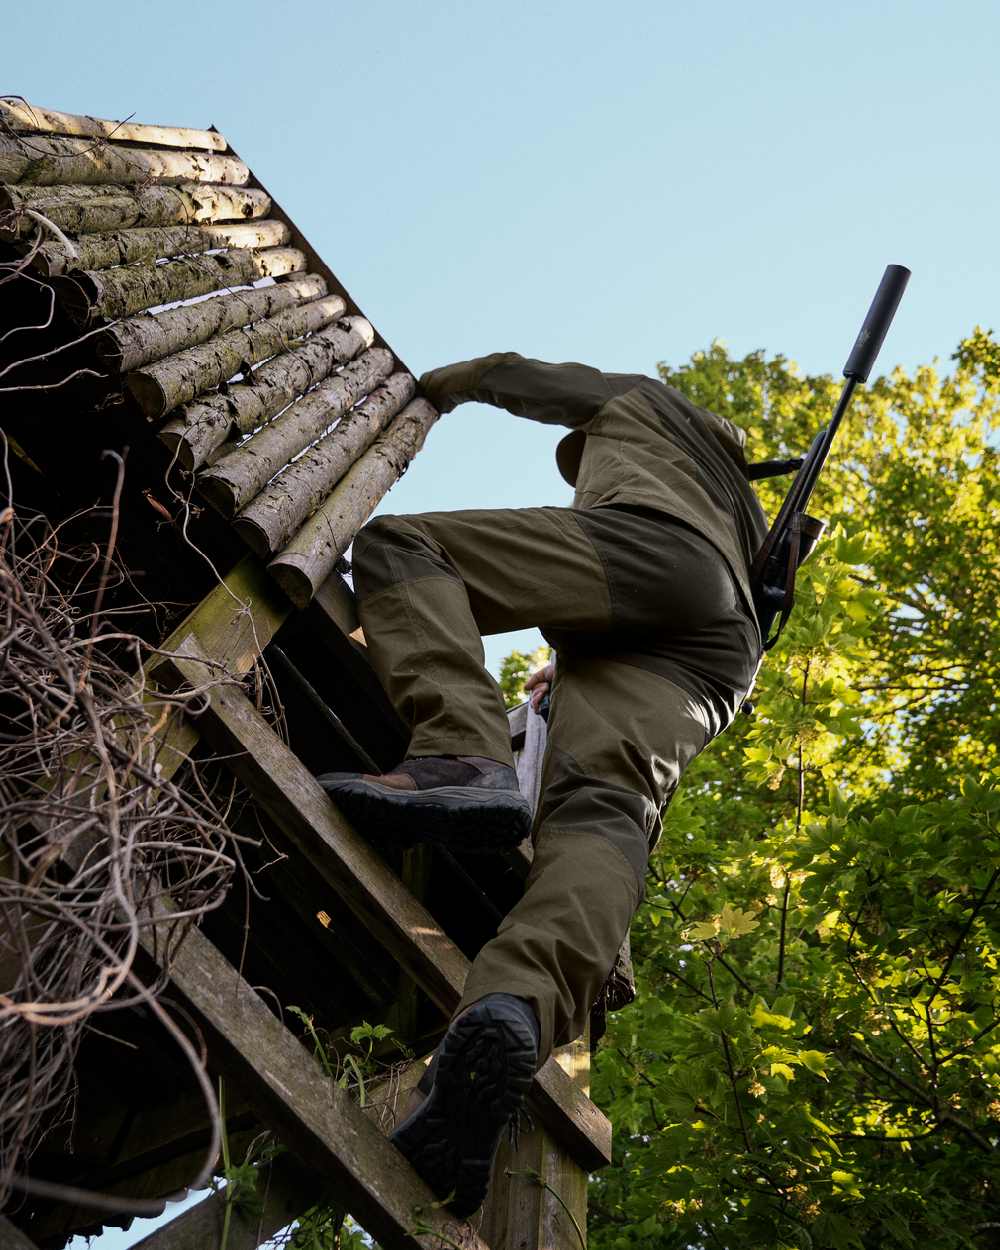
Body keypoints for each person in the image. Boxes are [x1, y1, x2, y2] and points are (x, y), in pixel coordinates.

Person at [320, 352, 768, 1217]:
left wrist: (436, 386)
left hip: (662, 553)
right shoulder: (750, 514)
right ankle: (515, 1007)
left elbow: (519, 375)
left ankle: (460, 755)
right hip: (718, 656)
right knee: (604, 817)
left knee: (405, 547)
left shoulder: (646, 406)